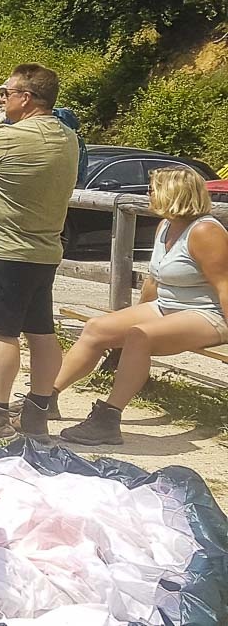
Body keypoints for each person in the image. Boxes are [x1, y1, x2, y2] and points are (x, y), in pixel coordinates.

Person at [0, 64, 80, 441]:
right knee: (42, 332)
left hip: (3, 250)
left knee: (1, 334)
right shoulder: (68, 137)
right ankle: (36, 415)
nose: (1, 98)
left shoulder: (6, 138)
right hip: (45, 250)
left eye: (6, 92)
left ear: (26, 98)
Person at [52, 167, 228, 445]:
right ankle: (45, 399)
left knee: (139, 336)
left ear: (173, 193)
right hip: (167, 306)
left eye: (153, 189)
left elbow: (224, 286)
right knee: (97, 328)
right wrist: (137, 314)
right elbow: (153, 280)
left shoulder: (205, 231)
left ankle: (108, 419)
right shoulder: (165, 225)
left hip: (209, 314)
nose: (148, 194)